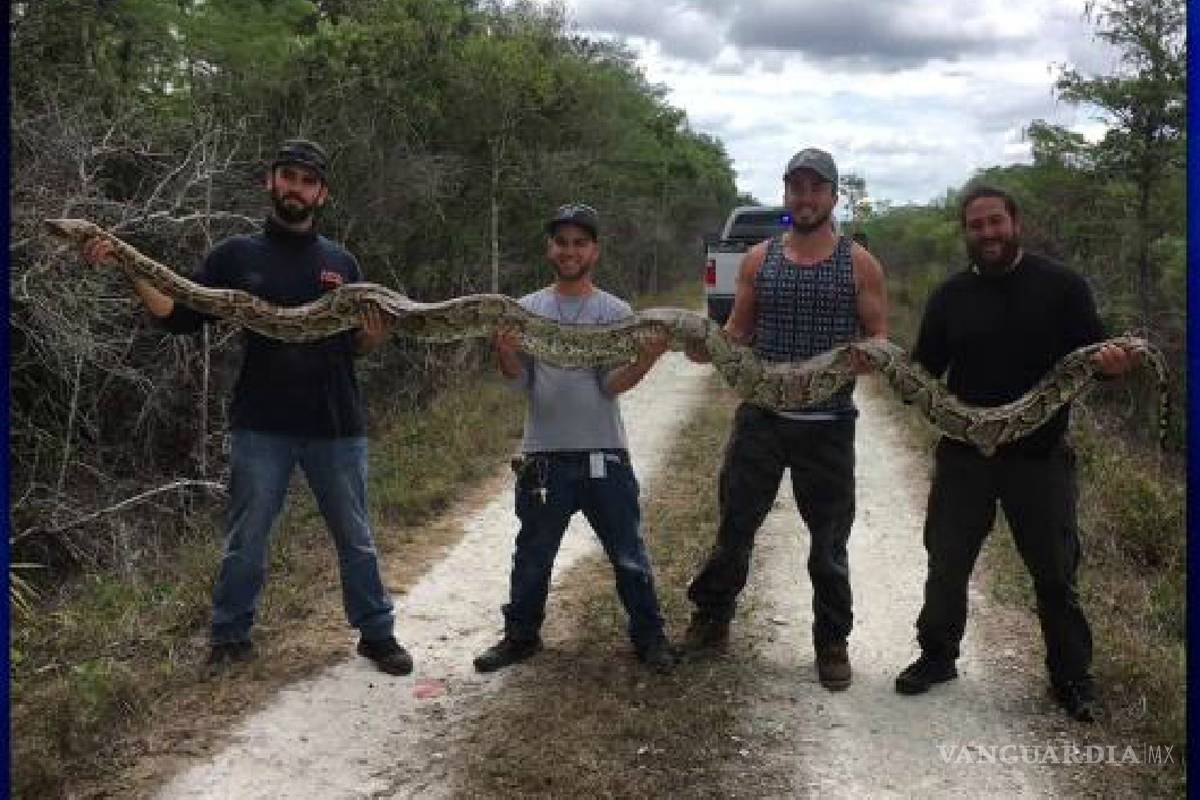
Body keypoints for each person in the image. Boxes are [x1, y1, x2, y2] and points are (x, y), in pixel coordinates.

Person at [82, 139, 413, 675]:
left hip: (336, 424)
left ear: (322, 194)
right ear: (271, 181)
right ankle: (229, 636)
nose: (296, 188)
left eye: (307, 181)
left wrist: (374, 337)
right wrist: (126, 263)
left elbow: (354, 346)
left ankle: (377, 634)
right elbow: (178, 317)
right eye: (288, 177)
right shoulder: (235, 257)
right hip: (262, 425)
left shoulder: (342, 263)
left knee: (356, 537)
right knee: (247, 538)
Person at [893, 184, 1136, 722]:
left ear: (1015, 223)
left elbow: (1096, 359)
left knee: (1055, 574)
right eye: (976, 225)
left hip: (1040, 459)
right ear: (966, 232)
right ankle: (937, 656)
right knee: (947, 563)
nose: (987, 233)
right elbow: (923, 372)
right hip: (965, 457)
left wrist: (1114, 366)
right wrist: (886, 368)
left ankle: (1071, 677)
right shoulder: (950, 296)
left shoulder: (1063, 287)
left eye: (995, 222)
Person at [682, 148, 888, 691]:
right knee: (734, 528)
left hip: (828, 424)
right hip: (762, 419)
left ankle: (831, 641)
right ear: (786, 194)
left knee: (828, 543)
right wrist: (708, 348)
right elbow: (738, 333)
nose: (806, 197)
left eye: (816, 188)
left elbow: (878, 337)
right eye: (797, 187)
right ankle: (711, 619)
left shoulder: (859, 263)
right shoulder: (759, 259)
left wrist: (868, 355)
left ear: (833, 196)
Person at [473, 203, 677, 674]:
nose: (569, 251)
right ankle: (520, 637)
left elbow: (610, 384)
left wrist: (646, 360)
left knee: (628, 554)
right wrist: (505, 353)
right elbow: (519, 382)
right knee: (533, 554)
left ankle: (651, 639)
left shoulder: (615, 312)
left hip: (604, 453)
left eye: (579, 243)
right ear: (550, 248)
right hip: (543, 457)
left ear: (594, 251)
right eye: (561, 242)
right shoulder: (525, 309)